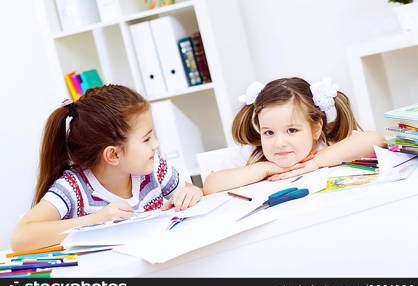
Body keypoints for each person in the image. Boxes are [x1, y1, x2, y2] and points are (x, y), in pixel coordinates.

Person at [12, 85, 202, 251]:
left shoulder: (154, 167)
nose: (156, 144)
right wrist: (95, 221)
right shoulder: (73, 188)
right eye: (146, 139)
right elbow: (21, 237)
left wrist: (191, 193)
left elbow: (191, 191)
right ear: (113, 155)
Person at [203, 77, 384, 194]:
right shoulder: (255, 155)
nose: (279, 143)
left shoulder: (329, 144)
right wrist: (263, 169)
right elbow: (211, 185)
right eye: (269, 132)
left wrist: (317, 161)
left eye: (291, 130)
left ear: (315, 128)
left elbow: (376, 140)